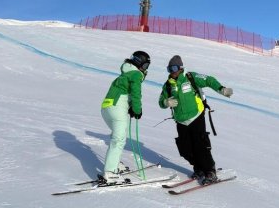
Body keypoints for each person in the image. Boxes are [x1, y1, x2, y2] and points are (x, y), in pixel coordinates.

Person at [158, 55, 233, 184]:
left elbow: (208, 80)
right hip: (180, 121)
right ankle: (198, 169)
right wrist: (166, 102)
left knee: (200, 146)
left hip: (196, 117)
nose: (172, 72)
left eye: (174, 68)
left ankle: (210, 171)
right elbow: (161, 102)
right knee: (185, 149)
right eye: (169, 69)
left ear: (180, 68)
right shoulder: (168, 85)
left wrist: (221, 89)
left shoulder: (190, 77)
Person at [98, 51, 151, 184]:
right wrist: (137, 109)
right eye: (145, 66)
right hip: (117, 107)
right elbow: (136, 93)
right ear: (139, 63)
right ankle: (110, 172)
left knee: (117, 136)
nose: (145, 69)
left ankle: (114, 164)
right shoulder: (136, 74)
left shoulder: (125, 73)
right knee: (119, 139)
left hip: (106, 108)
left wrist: (131, 107)